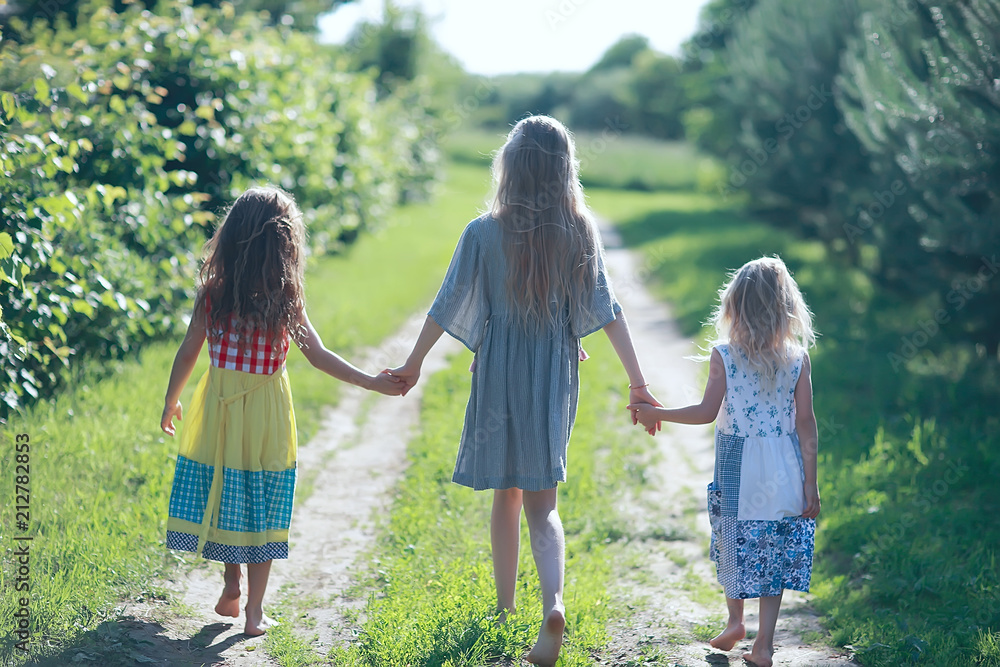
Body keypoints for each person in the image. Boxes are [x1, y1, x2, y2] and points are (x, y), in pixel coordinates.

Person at [388, 115, 660, 666]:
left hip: (499, 374)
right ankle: (552, 603)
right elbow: (606, 311)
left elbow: (445, 306)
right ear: (565, 170)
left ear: (508, 166)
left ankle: (507, 608)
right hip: (552, 374)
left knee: (504, 497)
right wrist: (638, 382)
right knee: (543, 505)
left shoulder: (483, 232)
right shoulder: (578, 230)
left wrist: (413, 364)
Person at [160, 187, 403, 636]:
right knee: (263, 500)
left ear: (231, 237)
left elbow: (188, 351)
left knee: (227, 489)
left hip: (219, 409)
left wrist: (172, 398)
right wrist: (370, 381)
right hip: (268, 414)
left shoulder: (213, 294)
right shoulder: (285, 301)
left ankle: (230, 581)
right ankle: (254, 612)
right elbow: (319, 355)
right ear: (284, 246)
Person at [629, 256, 820, 667]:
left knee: (732, 540)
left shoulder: (725, 355)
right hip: (786, 463)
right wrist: (811, 484)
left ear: (734, 306)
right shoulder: (797, 359)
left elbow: (705, 412)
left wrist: (658, 413)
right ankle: (763, 645)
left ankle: (736, 620)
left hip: (739, 463)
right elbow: (806, 424)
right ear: (787, 308)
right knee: (773, 550)